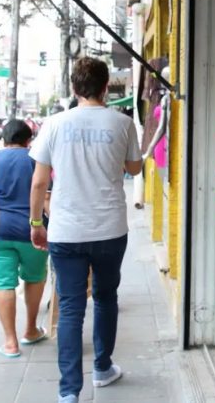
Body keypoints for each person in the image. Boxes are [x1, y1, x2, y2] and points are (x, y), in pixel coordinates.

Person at [29, 57, 142, 403]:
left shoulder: (55, 123)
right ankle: (103, 368)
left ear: (74, 88)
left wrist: (36, 223)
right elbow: (134, 169)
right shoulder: (122, 123)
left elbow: (38, 182)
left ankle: (68, 392)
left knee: (71, 307)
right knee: (106, 298)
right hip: (109, 228)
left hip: (66, 230)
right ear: (106, 87)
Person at [0, 120, 48, 357]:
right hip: (31, 231)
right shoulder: (35, 160)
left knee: (3, 283)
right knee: (34, 278)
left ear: (4, 138)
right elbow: (45, 195)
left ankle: (10, 342)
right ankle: (30, 330)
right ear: (28, 139)